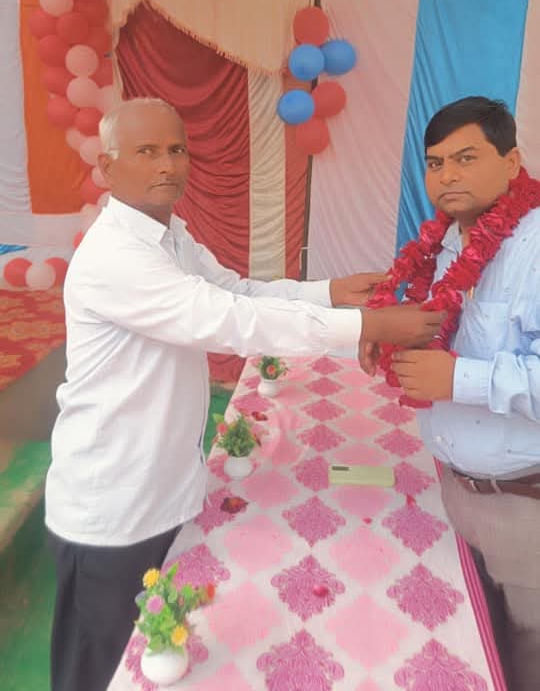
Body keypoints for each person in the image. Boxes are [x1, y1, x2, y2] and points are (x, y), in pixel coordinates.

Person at [45, 97, 443, 691]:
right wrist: (370, 324)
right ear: (106, 166)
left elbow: (237, 291)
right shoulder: (115, 256)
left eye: (176, 150)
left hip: (163, 488)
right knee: (98, 670)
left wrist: (329, 292)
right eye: (146, 152)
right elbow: (228, 319)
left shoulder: (170, 234)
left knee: (158, 653)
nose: (166, 165)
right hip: (112, 504)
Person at [384, 96, 540, 691]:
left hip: (522, 507)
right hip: (454, 491)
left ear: (511, 161)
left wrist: (457, 379)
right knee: (465, 648)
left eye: (466, 158)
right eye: (435, 162)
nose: (446, 175)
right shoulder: (447, 242)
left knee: (527, 657)